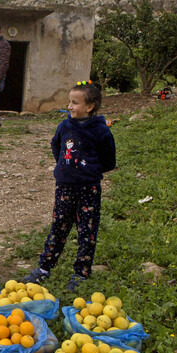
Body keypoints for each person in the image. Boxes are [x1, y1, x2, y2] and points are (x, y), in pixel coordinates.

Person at [22, 81, 116, 292]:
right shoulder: (65, 126)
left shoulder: (101, 130)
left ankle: (81, 274)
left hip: (88, 189)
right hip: (64, 187)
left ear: (90, 106)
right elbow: (56, 145)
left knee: (87, 232)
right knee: (58, 228)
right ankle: (44, 268)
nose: (70, 106)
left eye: (75, 102)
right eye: (69, 102)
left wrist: (89, 170)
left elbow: (109, 160)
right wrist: (64, 166)